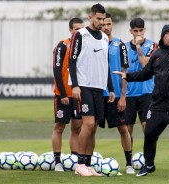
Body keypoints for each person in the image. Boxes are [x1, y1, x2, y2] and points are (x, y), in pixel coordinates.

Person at [114, 22, 169, 178]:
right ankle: (148, 165)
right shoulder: (157, 54)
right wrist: (128, 76)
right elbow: (145, 73)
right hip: (157, 106)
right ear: (163, 36)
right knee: (149, 136)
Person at [68, 3, 113, 177]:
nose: (101, 22)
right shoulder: (80, 35)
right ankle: (79, 164)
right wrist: (75, 85)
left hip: (99, 87)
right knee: (88, 124)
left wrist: (110, 88)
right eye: (98, 18)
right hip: (84, 86)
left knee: (94, 128)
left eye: (103, 19)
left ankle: (88, 164)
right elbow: (72, 61)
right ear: (90, 17)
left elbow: (106, 64)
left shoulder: (104, 37)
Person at [100, 13, 135, 174]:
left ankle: (129, 164)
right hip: (97, 94)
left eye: (109, 24)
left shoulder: (120, 45)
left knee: (123, 128)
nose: (106, 27)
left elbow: (124, 72)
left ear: (112, 25)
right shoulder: (95, 43)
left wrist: (123, 97)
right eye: (103, 24)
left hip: (115, 95)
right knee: (90, 127)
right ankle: (84, 163)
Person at [52, 17, 84, 172]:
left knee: (77, 128)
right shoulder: (62, 46)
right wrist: (63, 94)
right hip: (63, 95)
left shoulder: (83, 46)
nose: (79, 32)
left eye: (81, 29)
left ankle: (74, 160)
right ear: (71, 30)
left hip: (77, 95)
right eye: (77, 29)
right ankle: (57, 161)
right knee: (59, 127)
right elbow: (57, 71)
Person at [125, 17, 158, 146]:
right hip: (129, 93)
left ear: (145, 30)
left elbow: (145, 64)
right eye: (135, 31)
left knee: (147, 127)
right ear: (130, 31)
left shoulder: (153, 45)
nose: (138, 34)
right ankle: (129, 161)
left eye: (141, 30)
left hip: (147, 92)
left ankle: (148, 160)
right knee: (128, 128)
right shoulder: (125, 47)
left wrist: (138, 45)